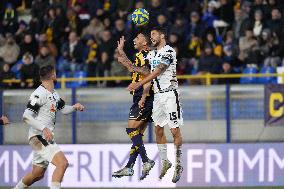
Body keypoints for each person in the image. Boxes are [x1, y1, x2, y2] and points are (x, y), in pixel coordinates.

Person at [13, 65, 85, 189]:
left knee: (37, 174)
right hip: (39, 136)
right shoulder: (38, 94)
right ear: (53, 76)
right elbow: (26, 116)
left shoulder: (54, 94)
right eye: (55, 73)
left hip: (44, 137)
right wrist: (44, 128)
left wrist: (74, 107)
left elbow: (63, 109)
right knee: (62, 164)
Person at [127, 27, 183, 183]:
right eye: (150, 35)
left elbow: (157, 72)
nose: (151, 37)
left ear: (162, 35)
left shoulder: (169, 51)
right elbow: (146, 73)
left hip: (170, 94)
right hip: (157, 96)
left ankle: (178, 164)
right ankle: (165, 161)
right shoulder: (152, 54)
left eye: (153, 34)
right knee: (158, 130)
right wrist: (144, 94)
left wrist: (138, 84)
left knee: (174, 130)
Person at [112, 31, 156, 180]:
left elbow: (148, 73)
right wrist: (121, 51)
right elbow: (133, 68)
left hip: (146, 97)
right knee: (138, 134)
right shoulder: (140, 55)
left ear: (145, 42)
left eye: (138, 38)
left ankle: (146, 161)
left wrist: (143, 96)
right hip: (141, 97)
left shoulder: (147, 54)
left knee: (131, 129)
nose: (134, 40)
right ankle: (130, 167)